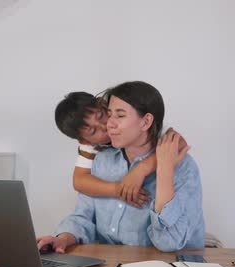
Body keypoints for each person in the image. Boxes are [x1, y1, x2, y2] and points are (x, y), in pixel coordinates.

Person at [38, 81, 205, 252]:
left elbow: (168, 243)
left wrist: (163, 169)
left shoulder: (183, 166)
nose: (108, 124)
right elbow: (83, 216)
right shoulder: (100, 160)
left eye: (119, 115)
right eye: (110, 115)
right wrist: (63, 238)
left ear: (145, 121)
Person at [54, 92, 186, 207]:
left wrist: (140, 170)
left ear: (103, 103)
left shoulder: (132, 121)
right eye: (93, 131)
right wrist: (119, 189)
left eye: (101, 116)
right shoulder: (91, 146)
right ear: (85, 141)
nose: (105, 126)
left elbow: (179, 142)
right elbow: (79, 181)